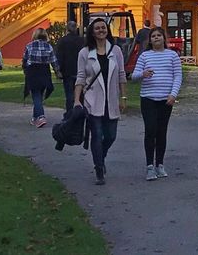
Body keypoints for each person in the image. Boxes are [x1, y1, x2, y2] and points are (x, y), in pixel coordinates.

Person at [74, 18, 127, 186]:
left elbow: (121, 75)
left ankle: (100, 157)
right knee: (96, 135)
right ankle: (98, 168)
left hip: (111, 99)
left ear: (107, 30)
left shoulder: (116, 51)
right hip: (92, 99)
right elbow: (81, 77)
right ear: (92, 32)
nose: (100, 30)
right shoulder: (84, 53)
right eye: (97, 28)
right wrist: (77, 100)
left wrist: (123, 97)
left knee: (111, 135)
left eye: (103, 28)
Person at [130, 26, 182, 181]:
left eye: (159, 35)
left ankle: (160, 164)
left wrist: (173, 95)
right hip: (148, 99)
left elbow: (177, 76)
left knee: (161, 132)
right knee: (150, 130)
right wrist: (143, 74)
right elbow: (133, 76)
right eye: (153, 36)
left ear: (164, 38)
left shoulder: (172, 55)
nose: (156, 38)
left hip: (165, 100)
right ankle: (149, 166)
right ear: (150, 40)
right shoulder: (145, 56)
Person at [22, 28, 57, 127]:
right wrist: (57, 71)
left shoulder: (29, 46)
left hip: (32, 72)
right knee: (39, 95)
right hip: (44, 72)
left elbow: (24, 60)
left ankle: (41, 116)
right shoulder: (49, 47)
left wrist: (25, 69)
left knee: (36, 95)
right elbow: (53, 61)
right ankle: (35, 117)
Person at [56, 21, 82, 118]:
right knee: (79, 94)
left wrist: (58, 70)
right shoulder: (82, 41)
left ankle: (70, 114)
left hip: (67, 71)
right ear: (76, 28)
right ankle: (79, 113)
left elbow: (59, 56)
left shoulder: (62, 41)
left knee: (69, 95)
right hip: (79, 70)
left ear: (67, 29)